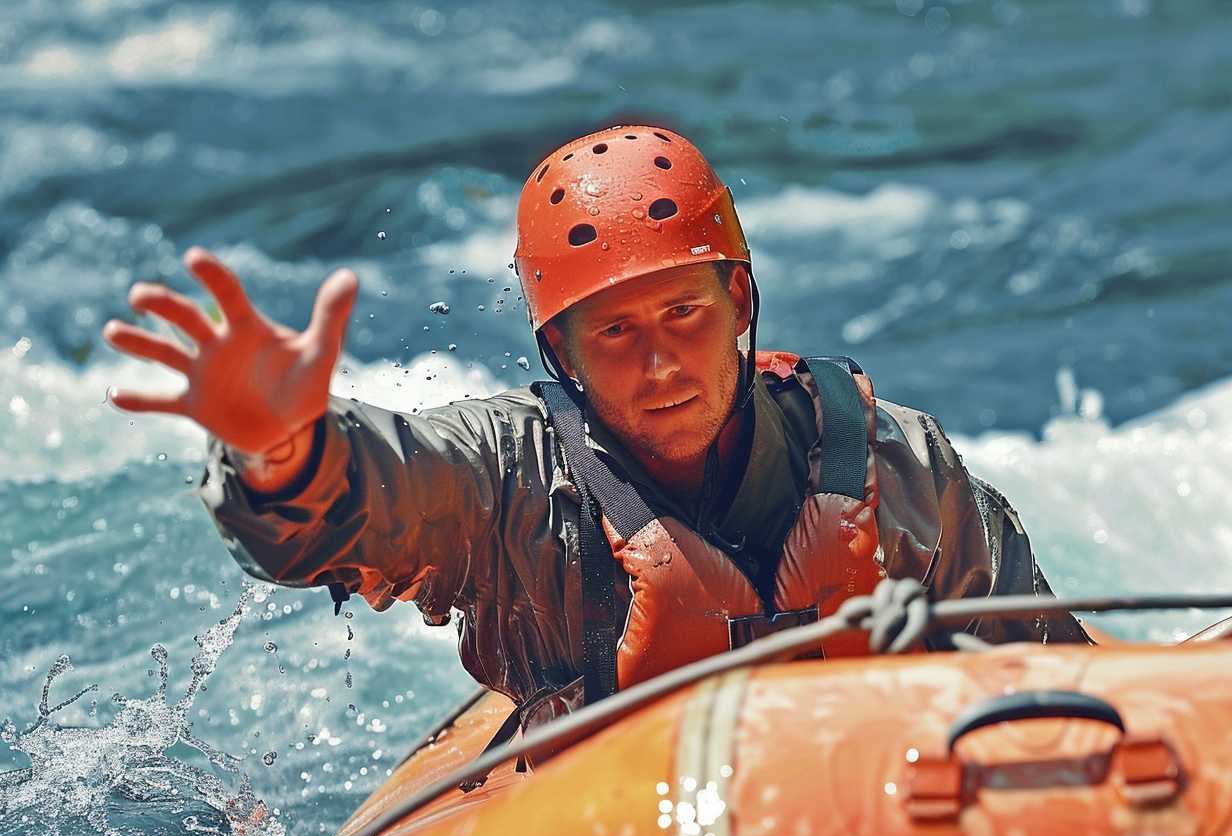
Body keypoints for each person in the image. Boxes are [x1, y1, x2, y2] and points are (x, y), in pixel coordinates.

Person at [102, 125, 1092, 730]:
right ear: (562, 355)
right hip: (607, 829)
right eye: (614, 332)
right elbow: (374, 490)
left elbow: (1060, 671)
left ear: (738, 302)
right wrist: (282, 447)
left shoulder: (895, 462)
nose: (656, 362)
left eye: (683, 316)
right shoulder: (511, 475)